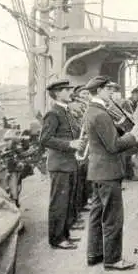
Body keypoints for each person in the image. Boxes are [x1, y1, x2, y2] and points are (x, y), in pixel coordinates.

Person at [83, 75, 138, 270]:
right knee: (113, 217)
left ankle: (95, 254)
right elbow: (113, 146)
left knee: (96, 215)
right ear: (99, 91)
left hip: (98, 171)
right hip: (108, 172)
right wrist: (133, 135)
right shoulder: (100, 114)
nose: (112, 92)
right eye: (108, 89)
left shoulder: (93, 110)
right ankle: (113, 259)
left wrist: (121, 128)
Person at [39, 79, 86, 250]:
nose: (70, 93)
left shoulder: (65, 112)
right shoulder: (54, 113)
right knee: (59, 202)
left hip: (69, 163)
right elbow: (44, 139)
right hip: (60, 165)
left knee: (67, 202)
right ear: (57, 93)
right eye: (66, 90)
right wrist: (70, 145)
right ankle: (57, 239)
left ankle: (64, 235)